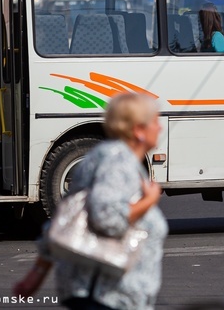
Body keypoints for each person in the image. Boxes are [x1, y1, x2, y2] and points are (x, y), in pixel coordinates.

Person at [13, 93, 167, 310]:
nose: (160, 128)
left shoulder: (106, 157)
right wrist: (148, 201)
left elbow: (67, 218)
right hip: (107, 295)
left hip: (96, 291)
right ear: (139, 130)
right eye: (155, 122)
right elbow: (107, 217)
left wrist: (36, 275)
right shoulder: (118, 163)